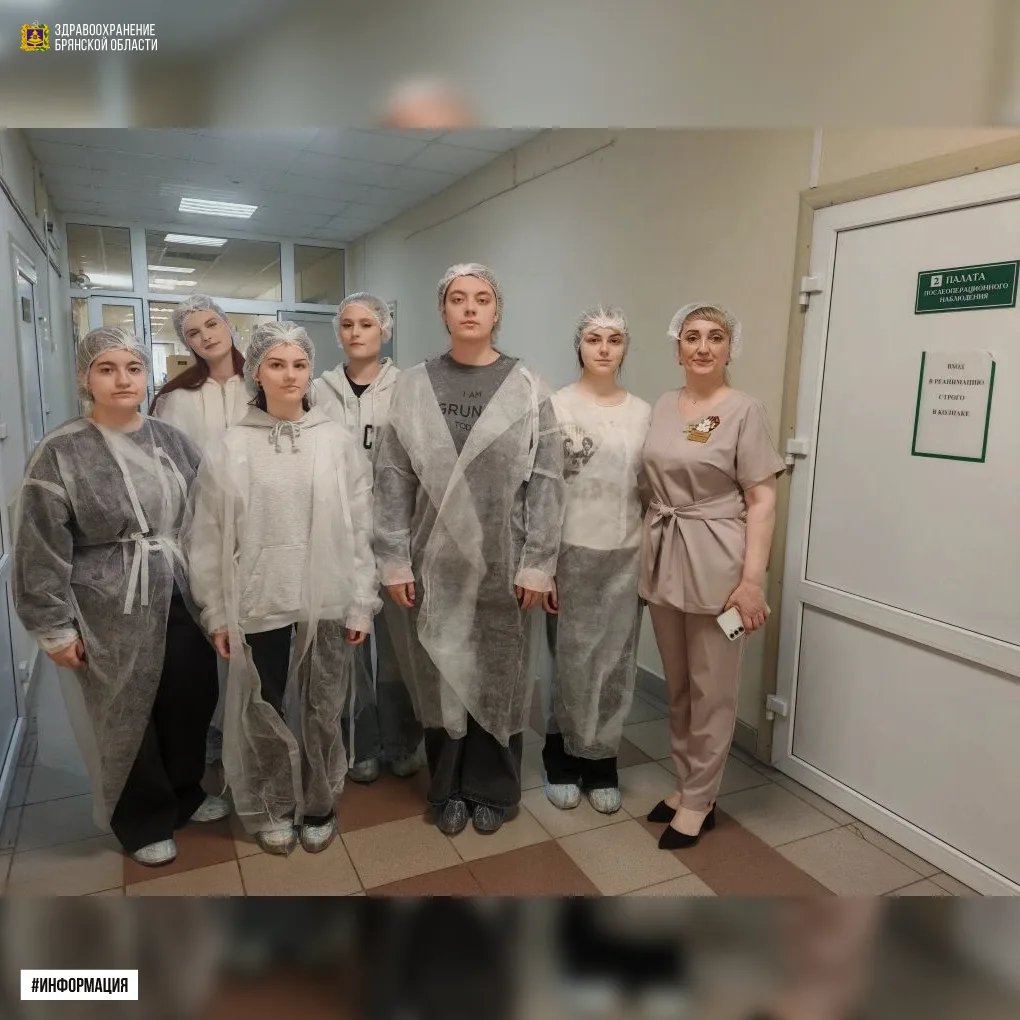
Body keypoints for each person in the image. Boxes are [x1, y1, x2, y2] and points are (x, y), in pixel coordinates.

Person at [11, 327, 227, 867]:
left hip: (179, 591)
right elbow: (39, 545)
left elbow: (205, 519)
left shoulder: (173, 442)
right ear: (85, 378)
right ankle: (142, 819)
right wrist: (53, 626)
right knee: (127, 713)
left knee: (189, 698)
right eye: (106, 369)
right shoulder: (60, 452)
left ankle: (185, 793)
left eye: (133, 367)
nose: (122, 380)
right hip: (107, 603)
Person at [374, 263, 565, 835]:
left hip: (505, 563)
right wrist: (393, 559)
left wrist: (538, 564)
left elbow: (547, 480)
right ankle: (448, 788)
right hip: (433, 560)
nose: (470, 308)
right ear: (443, 310)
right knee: (441, 675)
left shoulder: (527, 384)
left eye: (482, 299)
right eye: (458, 299)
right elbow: (392, 477)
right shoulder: (414, 384)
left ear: (497, 310)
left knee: (499, 675)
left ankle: (492, 788)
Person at [187, 321, 379, 856]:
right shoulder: (231, 447)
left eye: (299, 364)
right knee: (263, 707)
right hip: (260, 598)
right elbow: (208, 537)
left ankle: (319, 803)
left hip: (327, 597)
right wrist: (216, 612)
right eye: (276, 364)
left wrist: (361, 602)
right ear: (256, 372)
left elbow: (360, 527)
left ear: (310, 368)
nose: (290, 375)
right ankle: (273, 804)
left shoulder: (335, 442)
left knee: (323, 706)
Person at [639, 303, 785, 849]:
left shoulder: (745, 410)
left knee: (713, 689)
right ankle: (686, 784)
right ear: (677, 347)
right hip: (665, 557)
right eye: (692, 336)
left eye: (715, 337)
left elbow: (762, 501)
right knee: (678, 685)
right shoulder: (663, 404)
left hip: (720, 565)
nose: (703, 347)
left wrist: (751, 582)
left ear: (730, 348)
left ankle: (701, 799)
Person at [542, 307, 651, 815]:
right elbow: (543, 491)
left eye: (614, 339)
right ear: (579, 346)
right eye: (593, 338)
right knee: (570, 663)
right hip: (570, 552)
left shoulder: (644, 413)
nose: (604, 348)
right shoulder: (557, 406)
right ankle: (563, 758)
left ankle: (602, 761)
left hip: (627, 551)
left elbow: (651, 488)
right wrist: (543, 565)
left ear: (625, 348)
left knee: (614, 664)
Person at [313, 292, 423, 784]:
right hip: (339, 537)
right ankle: (360, 743)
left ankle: (402, 740)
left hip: (398, 534)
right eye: (348, 325)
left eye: (366, 324)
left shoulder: (409, 387)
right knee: (348, 645)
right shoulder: (318, 391)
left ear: (385, 330)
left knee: (399, 647)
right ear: (338, 333)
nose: (356, 333)